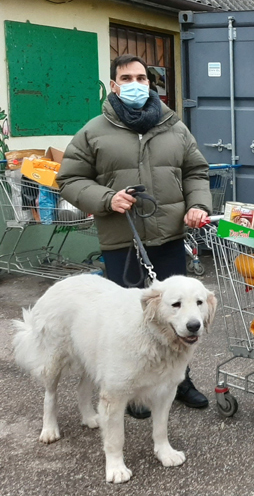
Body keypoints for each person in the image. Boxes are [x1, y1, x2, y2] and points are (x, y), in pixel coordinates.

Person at [57, 54, 212, 419]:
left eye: (141, 78)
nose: (135, 84)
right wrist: (106, 199)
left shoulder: (174, 127)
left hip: (169, 238)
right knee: (127, 322)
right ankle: (132, 389)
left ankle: (180, 382)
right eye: (126, 78)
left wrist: (198, 204)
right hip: (121, 241)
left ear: (150, 82)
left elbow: (196, 171)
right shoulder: (94, 131)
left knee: (180, 313)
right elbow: (69, 179)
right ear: (114, 85)